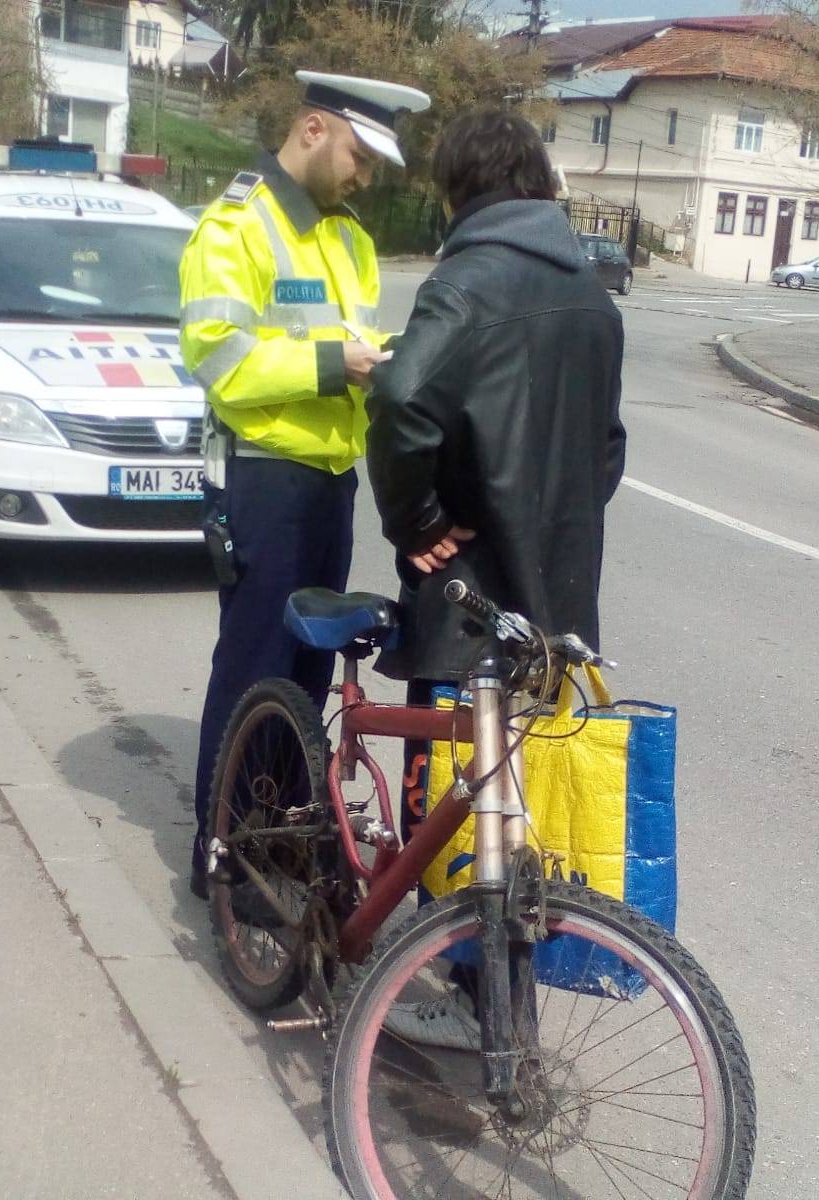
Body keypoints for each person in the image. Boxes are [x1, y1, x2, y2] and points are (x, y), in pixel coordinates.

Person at [365, 109, 627, 1047]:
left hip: (468, 601)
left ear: (457, 190)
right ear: (541, 182)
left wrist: (420, 523)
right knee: (522, 803)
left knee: (449, 794)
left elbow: (400, 397)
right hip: (557, 600)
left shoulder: (463, 284)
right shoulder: (593, 296)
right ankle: (499, 1000)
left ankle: (458, 987)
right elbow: (607, 449)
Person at [180, 71, 430, 899]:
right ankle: (223, 855)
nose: (366, 177)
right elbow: (218, 359)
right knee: (256, 670)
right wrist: (334, 363)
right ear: (314, 130)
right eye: (360, 156)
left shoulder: (348, 238)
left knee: (308, 677)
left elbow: (353, 340)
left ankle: (281, 841)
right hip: (263, 479)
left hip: (327, 481)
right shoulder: (235, 226)